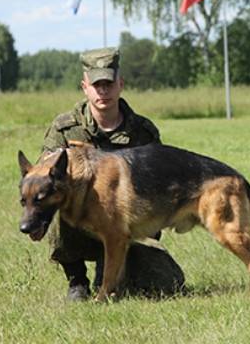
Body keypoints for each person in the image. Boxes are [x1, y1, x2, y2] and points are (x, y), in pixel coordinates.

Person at [42, 47, 185, 300]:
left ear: (121, 84)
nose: (103, 91)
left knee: (167, 283)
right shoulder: (65, 128)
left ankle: (107, 270)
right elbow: (43, 178)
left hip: (128, 226)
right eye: (96, 85)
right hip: (80, 224)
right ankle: (77, 281)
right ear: (84, 87)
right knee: (59, 200)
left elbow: (160, 184)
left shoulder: (143, 131)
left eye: (108, 83)